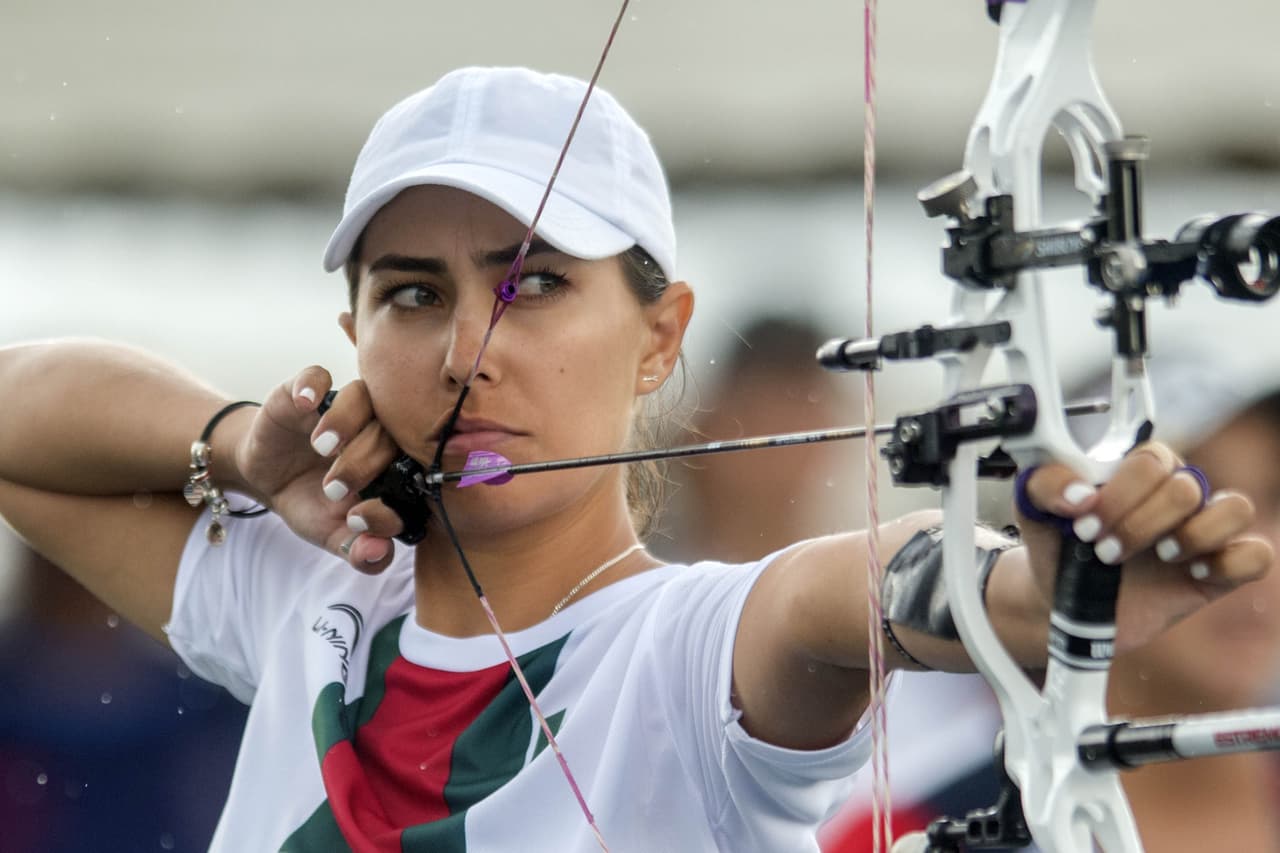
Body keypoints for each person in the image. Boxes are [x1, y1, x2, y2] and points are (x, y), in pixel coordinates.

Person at [0, 66, 1269, 853]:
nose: (465, 352)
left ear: (660, 338)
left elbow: (863, 586)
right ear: (352, 336)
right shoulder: (307, 593)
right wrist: (238, 446)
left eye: (533, 284)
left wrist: (1046, 593)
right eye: (409, 294)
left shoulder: (688, 652)